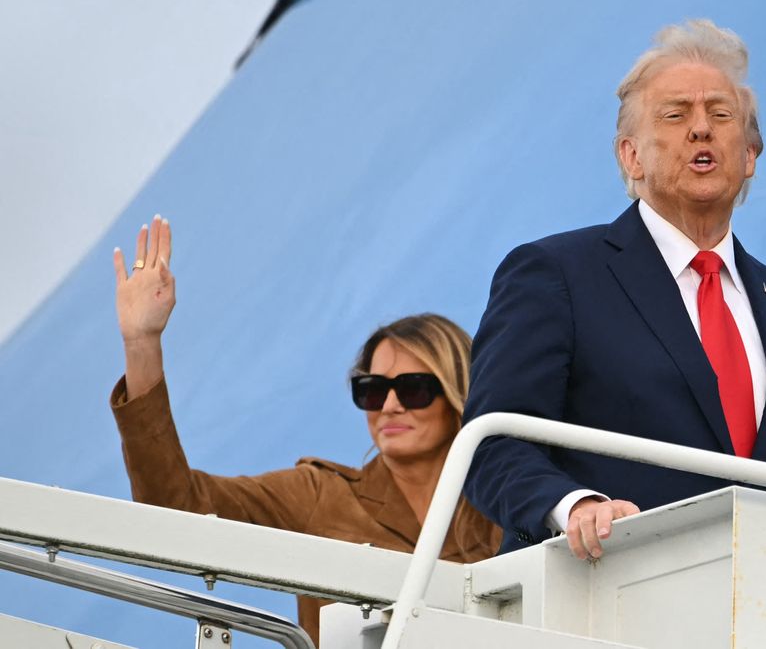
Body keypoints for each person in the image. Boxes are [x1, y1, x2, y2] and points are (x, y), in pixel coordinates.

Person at [463, 20, 766, 647]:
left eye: (721, 114)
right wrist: (573, 506)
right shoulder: (557, 274)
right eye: (675, 115)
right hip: (605, 617)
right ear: (631, 156)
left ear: (752, 153)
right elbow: (493, 446)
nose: (701, 128)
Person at [110, 216, 500, 646]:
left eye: (413, 388)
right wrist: (141, 344)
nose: (390, 405)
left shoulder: (505, 503)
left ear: (456, 395)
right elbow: (175, 507)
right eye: (371, 390)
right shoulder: (321, 496)